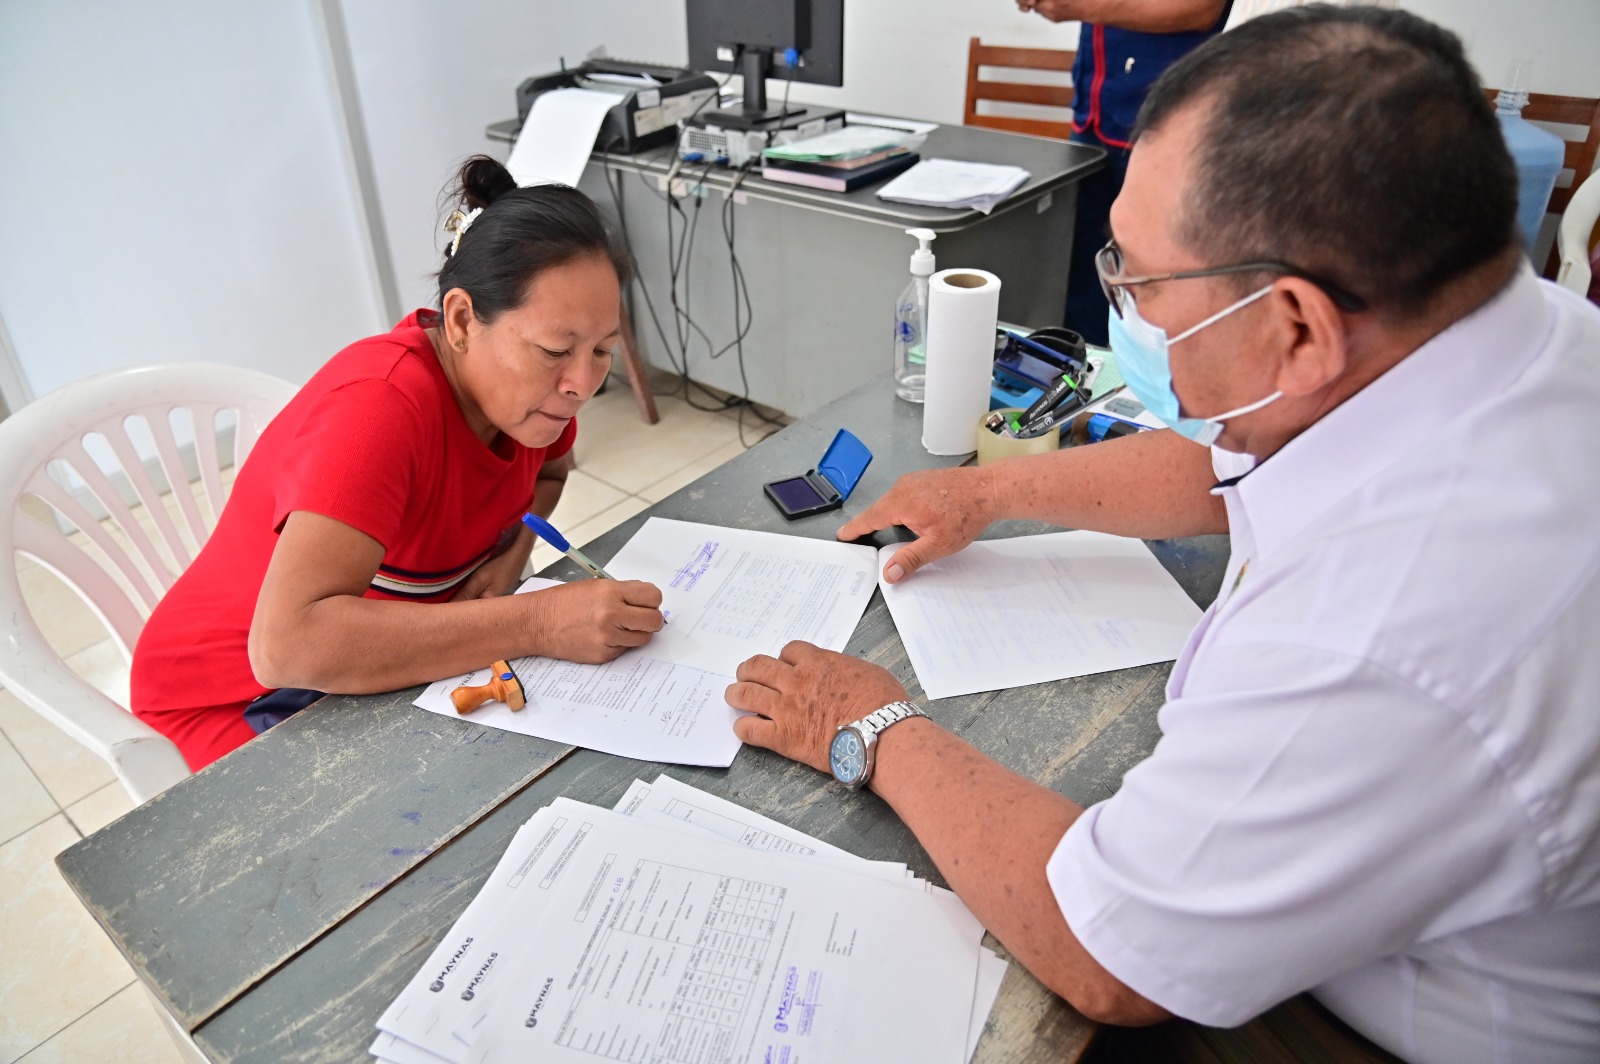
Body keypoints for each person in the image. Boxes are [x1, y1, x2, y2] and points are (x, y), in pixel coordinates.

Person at [726, 7, 1600, 1062]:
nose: (1125, 313)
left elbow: (1112, 954)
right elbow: (1225, 468)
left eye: (1140, 283)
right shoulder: (1512, 336)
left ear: (1296, 327)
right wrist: (995, 496)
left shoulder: (1383, 638)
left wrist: (868, 724)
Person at [131, 157, 665, 771]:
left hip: (369, 662)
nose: (581, 384)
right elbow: (286, 647)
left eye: (603, 351)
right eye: (555, 349)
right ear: (463, 320)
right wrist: (538, 621)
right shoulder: (380, 411)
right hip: (240, 696)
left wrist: (512, 553)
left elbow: (549, 474)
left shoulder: (532, 402)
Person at [1014, 0, 1230, 345]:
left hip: (1162, 123)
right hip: (1095, 113)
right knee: (1082, 282)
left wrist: (1075, 6)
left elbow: (1202, 8)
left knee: (1159, 283)